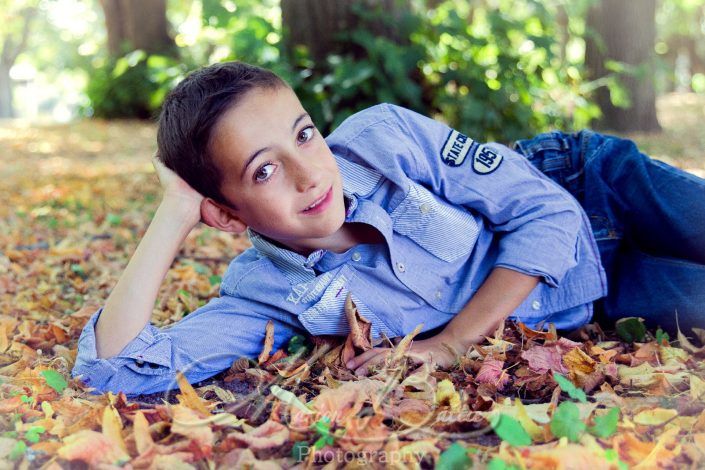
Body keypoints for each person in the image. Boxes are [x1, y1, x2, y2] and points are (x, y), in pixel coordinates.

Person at [72, 61, 705, 395]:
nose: (309, 174)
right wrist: (175, 213)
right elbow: (117, 369)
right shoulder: (268, 293)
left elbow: (551, 215)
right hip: (588, 291)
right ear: (228, 213)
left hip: (587, 188)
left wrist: (453, 342)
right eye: (264, 171)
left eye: (304, 135)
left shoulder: (385, 137)